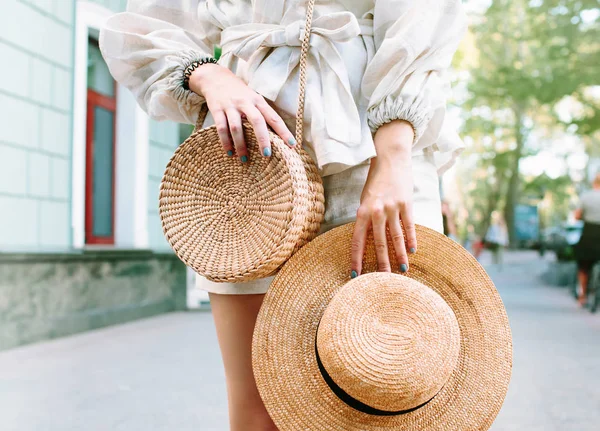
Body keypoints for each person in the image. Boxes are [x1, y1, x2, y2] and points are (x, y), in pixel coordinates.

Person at [99, 1, 467, 429]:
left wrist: (394, 155)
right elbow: (150, 23)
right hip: (247, 154)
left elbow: (424, 17)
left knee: (389, 395)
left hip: (377, 133)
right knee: (260, 411)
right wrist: (210, 75)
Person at [574, 172, 600, 306]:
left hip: (589, 233)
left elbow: (577, 216)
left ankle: (582, 296)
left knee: (583, 266)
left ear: (593, 182)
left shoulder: (586, 196)